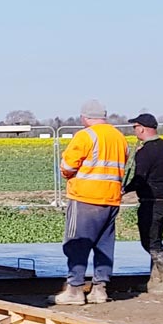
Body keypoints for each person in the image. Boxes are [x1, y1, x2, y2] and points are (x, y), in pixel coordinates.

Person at [55, 101, 127, 305]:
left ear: (85, 117)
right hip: (112, 198)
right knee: (104, 245)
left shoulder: (85, 136)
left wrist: (66, 172)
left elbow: (68, 165)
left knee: (76, 243)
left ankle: (75, 290)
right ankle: (100, 289)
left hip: (86, 198)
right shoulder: (118, 137)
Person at [124, 113, 163, 296]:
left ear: (142, 128)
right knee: (155, 239)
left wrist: (124, 190)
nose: (134, 131)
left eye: (135, 127)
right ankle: (156, 280)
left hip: (151, 202)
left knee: (150, 241)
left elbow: (140, 179)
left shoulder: (145, 152)